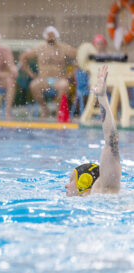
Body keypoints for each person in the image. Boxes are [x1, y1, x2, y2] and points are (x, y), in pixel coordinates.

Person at [65, 65, 121, 196]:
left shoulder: (105, 191)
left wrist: (102, 97)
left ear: (85, 181)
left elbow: (111, 142)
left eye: (72, 180)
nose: (66, 185)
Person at [20, 26, 77, 118]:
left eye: (52, 35)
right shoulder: (39, 48)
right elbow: (23, 58)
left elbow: (79, 56)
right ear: (45, 36)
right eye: (49, 35)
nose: (50, 37)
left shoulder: (64, 48)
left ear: (56, 36)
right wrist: (31, 74)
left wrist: (71, 74)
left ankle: (59, 111)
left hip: (59, 79)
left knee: (64, 85)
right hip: (44, 79)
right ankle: (45, 109)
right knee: (33, 85)